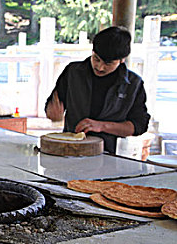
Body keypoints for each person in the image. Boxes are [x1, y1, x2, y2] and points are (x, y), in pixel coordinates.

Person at [45, 26, 151, 154]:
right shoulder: (73, 72)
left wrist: (101, 126)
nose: (100, 67)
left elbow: (139, 126)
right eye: (96, 59)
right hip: (71, 151)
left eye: (108, 64)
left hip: (111, 156)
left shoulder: (133, 84)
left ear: (122, 60)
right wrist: (53, 113)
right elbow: (53, 107)